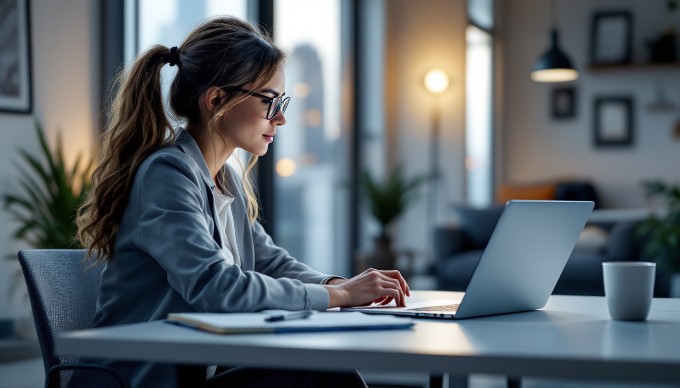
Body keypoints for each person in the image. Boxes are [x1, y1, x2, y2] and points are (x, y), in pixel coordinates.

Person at [75, 15, 410, 388]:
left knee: (330, 374)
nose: (280, 118)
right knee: (324, 377)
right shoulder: (167, 174)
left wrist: (340, 285)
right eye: (269, 101)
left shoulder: (225, 176)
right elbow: (219, 288)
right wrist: (339, 295)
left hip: (192, 371)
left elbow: (269, 262)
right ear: (217, 100)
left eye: (282, 102)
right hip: (139, 380)